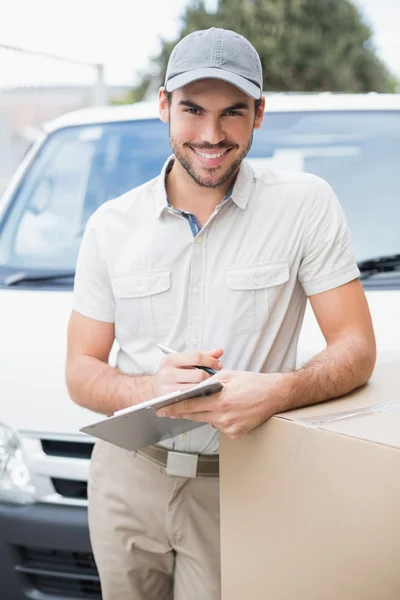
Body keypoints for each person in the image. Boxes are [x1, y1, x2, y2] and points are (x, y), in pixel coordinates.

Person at [66, 27, 376, 600]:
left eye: (232, 112)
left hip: (243, 483)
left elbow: (356, 348)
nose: (211, 135)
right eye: (192, 109)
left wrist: (278, 392)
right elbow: (81, 371)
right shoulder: (110, 224)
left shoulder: (306, 205)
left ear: (259, 114)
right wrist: (147, 388)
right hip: (126, 480)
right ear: (163, 106)